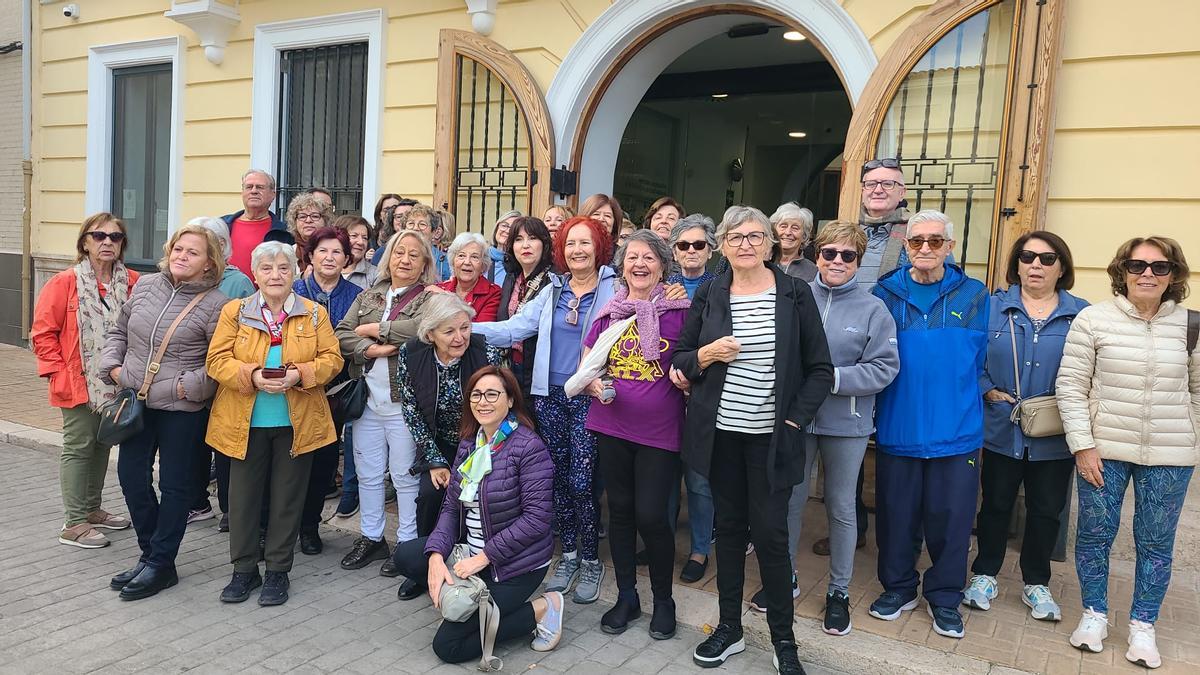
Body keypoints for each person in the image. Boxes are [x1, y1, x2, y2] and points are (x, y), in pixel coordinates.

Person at [672, 205, 833, 673]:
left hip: (772, 439)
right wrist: (706, 354)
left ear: (770, 243)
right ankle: (729, 628)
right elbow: (682, 358)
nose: (745, 244)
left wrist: (794, 422)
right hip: (721, 438)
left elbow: (820, 369)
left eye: (755, 236)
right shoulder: (711, 292)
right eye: (736, 237)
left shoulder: (794, 293)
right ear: (722, 245)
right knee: (728, 532)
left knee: (770, 537)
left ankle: (784, 640)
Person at [1056, 236, 1198, 669]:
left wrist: (1191, 437)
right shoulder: (1094, 319)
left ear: (1173, 275)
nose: (1147, 274)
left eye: (1159, 267)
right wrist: (1082, 445)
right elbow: (1071, 386)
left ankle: (1143, 626)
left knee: (1156, 544)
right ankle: (1094, 615)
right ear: (1122, 271)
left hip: (1170, 455)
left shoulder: (1191, 325)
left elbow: (1198, 391)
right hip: (1104, 450)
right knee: (1095, 535)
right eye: (1137, 266)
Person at [474, 216, 619, 605]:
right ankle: (568, 556)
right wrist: (466, 326)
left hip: (588, 396)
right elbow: (515, 328)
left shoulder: (614, 288)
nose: (577, 250)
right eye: (570, 243)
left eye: (585, 243)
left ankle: (591, 560)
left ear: (600, 247)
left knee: (581, 482)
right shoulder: (553, 289)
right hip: (549, 396)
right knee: (556, 480)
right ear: (561, 250)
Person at [768, 221, 899, 635]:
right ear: (817, 256)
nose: (837, 261)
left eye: (848, 255)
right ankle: (785, 577)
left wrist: (831, 378)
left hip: (847, 422)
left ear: (859, 261)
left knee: (841, 507)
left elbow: (885, 367)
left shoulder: (873, 309)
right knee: (791, 499)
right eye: (829, 253)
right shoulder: (795, 296)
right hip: (798, 419)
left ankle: (838, 592)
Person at [867, 210, 989, 640]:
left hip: (956, 431)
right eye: (917, 241)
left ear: (949, 247)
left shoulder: (974, 294)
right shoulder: (884, 293)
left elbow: (980, 361)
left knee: (952, 522)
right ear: (906, 245)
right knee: (896, 517)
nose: (925, 248)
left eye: (935, 241)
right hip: (899, 426)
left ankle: (944, 596)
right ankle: (898, 588)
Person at [390, 366, 565, 663]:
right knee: (407, 556)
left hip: (513, 565)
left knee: (448, 647)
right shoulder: (470, 443)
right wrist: (436, 556)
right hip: (472, 553)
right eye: (476, 395)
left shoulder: (530, 448)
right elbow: (451, 507)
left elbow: (536, 520)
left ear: (510, 399)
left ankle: (543, 608)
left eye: (492, 394)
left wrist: (483, 558)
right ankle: (462, 597)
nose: (483, 402)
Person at [206, 241, 343, 606]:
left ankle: (278, 571)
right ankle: (244, 570)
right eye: (266, 268)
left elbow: (333, 359)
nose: (275, 275)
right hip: (244, 421)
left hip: (297, 422)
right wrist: (251, 375)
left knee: (287, 499)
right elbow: (216, 360)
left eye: (283, 268)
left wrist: (300, 374)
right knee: (242, 500)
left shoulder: (313, 313)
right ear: (255, 274)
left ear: (295, 272)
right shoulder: (235, 312)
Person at [99, 224, 229, 600]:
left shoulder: (217, 304)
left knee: (175, 487)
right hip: (137, 401)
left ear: (209, 263)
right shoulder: (146, 286)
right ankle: (152, 556)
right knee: (131, 477)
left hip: (182, 409)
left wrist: (185, 387)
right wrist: (113, 368)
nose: (181, 256)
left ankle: (159, 562)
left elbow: (218, 362)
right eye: (178, 248)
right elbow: (119, 332)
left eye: (192, 252)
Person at [963, 232, 1087, 622]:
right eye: (1028, 256)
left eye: (1047, 259)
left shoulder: (1082, 315)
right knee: (995, 504)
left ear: (1062, 267)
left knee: (1046, 509)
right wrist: (986, 389)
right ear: (1016, 264)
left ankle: (1036, 581)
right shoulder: (991, 308)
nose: (1036, 265)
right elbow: (970, 357)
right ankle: (985, 574)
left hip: (1054, 432)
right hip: (1002, 427)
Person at [581, 230, 690, 638]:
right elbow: (587, 363)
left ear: (663, 266)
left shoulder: (681, 311)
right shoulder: (610, 312)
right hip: (611, 425)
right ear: (622, 267)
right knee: (621, 510)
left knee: (652, 515)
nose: (639, 264)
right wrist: (592, 383)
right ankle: (627, 596)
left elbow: (692, 362)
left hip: (660, 432)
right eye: (632, 258)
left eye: (648, 258)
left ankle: (664, 600)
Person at [32, 213, 138, 549]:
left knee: (102, 444)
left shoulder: (133, 282)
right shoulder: (64, 282)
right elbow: (42, 333)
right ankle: (73, 522)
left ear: (122, 244)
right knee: (79, 446)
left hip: (118, 382)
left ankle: (92, 509)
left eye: (115, 237)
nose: (107, 242)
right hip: (78, 380)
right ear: (85, 242)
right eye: (99, 236)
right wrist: (57, 373)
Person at [335, 230, 437, 572]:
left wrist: (372, 329)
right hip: (366, 400)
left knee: (405, 477)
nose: (404, 260)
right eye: (399, 252)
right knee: (368, 473)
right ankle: (371, 538)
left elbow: (423, 330)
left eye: (413, 255)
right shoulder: (369, 295)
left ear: (424, 263)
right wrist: (372, 349)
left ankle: (406, 544)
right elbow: (341, 333)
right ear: (388, 257)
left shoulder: (429, 298)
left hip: (404, 403)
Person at [390, 293, 502, 596]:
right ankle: (425, 568)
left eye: (464, 328)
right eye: (449, 331)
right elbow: (411, 410)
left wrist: (479, 454)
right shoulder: (411, 353)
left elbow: (499, 405)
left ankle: (473, 566)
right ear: (430, 334)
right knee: (430, 495)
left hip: (480, 442)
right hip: (438, 442)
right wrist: (435, 460)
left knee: (475, 497)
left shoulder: (485, 352)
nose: (460, 337)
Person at [292, 227, 364, 555]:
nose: (329, 258)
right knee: (289, 461)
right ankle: (277, 525)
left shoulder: (357, 295)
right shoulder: (294, 290)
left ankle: (309, 526)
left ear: (347, 258)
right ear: (310, 255)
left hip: (334, 392)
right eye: (322, 251)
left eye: (337, 252)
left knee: (322, 463)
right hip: (293, 388)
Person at [189, 216, 257, 530]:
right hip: (192, 375)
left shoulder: (238, 282)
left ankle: (230, 509)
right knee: (196, 444)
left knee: (227, 447)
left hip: (228, 376)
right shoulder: (186, 279)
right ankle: (198, 502)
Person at [497, 216, 555, 395]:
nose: (525, 245)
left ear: (544, 243)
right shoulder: (511, 277)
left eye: (532, 238)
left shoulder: (554, 280)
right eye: (518, 239)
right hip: (509, 366)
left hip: (539, 370)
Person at [222, 169, 287, 276]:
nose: (254, 191)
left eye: (260, 187)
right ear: (242, 192)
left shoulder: (284, 232)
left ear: (273, 195)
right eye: (249, 187)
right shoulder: (222, 226)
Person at [437, 232, 502, 322]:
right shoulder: (440, 289)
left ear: (483, 265)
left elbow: (481, 328)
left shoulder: (493, 293)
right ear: (453, 261)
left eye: (474, 257)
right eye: (461, 256)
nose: (467, 262)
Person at [666, 214, 716, 300]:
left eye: (699, 245)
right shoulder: (665, 287)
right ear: (674, 253)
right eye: (683, 245)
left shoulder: (720, 287)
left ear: (709, 251)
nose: (691, 250)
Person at [285, 192, 334, 272]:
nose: (308, 220)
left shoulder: (334, 251)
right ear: (294, 222)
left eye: (315, 216)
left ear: (325, 221)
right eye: (302, 216)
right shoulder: (287, 253)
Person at [402, 204, 451, 282]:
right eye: (411, 223)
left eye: (422, 224)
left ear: (434, 232)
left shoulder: (445, 262)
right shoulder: (395, 256)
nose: (415, 228)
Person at [771, 203, 817, 282]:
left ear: (804, 236)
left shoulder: (812, 271)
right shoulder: (761, 263)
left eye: (795, 228)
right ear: (774, 231)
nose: (788, 232)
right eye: (783, 226)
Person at [371, 198, 417, 265]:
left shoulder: (428, 249)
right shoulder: (382, 253)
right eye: (399, 217)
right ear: (392, 221)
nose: (403, 220)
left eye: (408, 216)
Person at [335, 214, 375, 289]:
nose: (361, 242)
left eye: (365, 238)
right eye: (354, 236)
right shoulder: (325, 269)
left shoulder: (375, 275)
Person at [487, 210, 521, 286]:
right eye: (504, 225)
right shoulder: (482, 257)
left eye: (513, 229)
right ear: (497, 228)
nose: (507, 231)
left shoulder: (520, 264)